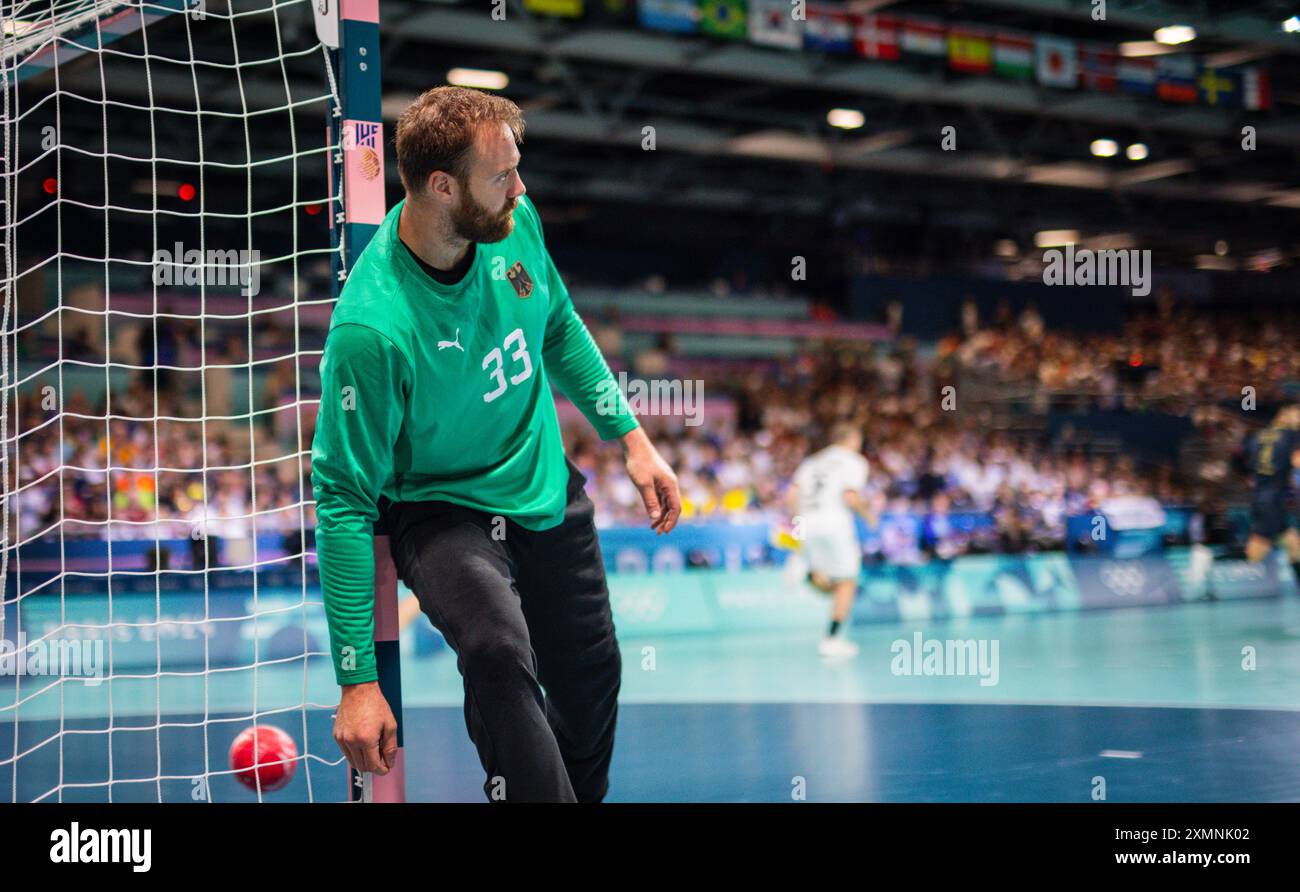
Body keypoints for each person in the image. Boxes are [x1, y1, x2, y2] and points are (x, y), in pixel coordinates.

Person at [311, 86, 682, 802]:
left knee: (591, 674)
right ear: (441, 186)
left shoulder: (512, 222)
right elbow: (344, 501)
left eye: (516, 168)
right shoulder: (373, 330)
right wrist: (357, 681)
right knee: (496, 650)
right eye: (502, 175)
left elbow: (558, 323)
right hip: (441, 507)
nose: (521, 188)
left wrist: (630, 437)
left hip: (542, 483)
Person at [787, 421, 870, 658]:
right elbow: (851, 497)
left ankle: (807, 571)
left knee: (834, 584)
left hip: (808, 524)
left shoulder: (811, 462)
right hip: (835, 525)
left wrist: (799, 531)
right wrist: (869, 515)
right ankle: (832, 640)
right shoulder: (854, 461)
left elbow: (792, 496)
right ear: (853, 440)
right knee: (847, 582)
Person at [1244, 403, 1300, 576]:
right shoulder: (1291, 436)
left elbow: (1244, 463)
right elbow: (1297, 461)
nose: (1299, 419)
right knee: (1254, 554)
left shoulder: (1257, 436)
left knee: (1294, 545)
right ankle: (1208, 558)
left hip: (1262, 498)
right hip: (1273, 501)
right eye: (1297, 414)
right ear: (1283, 413)